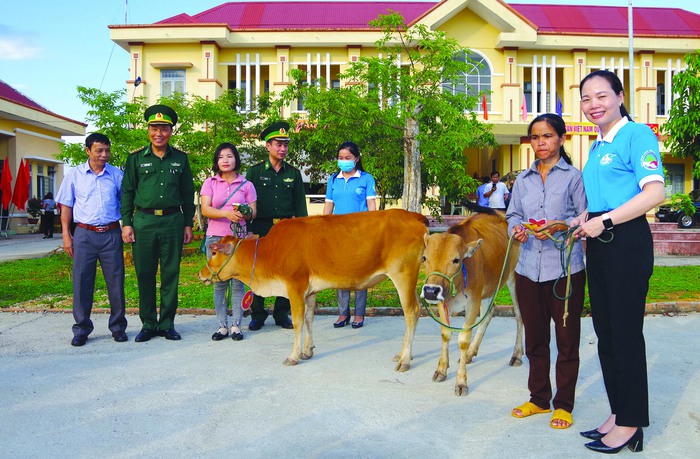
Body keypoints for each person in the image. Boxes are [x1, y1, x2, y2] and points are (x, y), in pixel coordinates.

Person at [573, 70, 665, 454]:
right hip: (601, 244)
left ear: (620, 96)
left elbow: (655, 193)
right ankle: (618, 411)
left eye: (602, 96)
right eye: (586, 98)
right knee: (607, 335)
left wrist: (605, 220)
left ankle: (631, 423)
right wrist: (587, 218)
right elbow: (604, 199)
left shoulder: (637, 135)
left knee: (625, 336)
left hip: (626, 243)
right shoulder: (597, 145)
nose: (594, 104)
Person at [506, 113, 587, 430]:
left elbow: (585, 217)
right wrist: (518, 230)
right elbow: (512, 215)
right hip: (527, 269)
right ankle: (539, 398)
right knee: (535, 339)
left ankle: (564, 405)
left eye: (548, 136)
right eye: (536, 137)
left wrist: (562, 225)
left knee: (567, 340)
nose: (541, 142)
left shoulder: (573, 178)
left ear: (561, 139)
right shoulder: (522, 181)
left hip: (565, 270)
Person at [121, 104, 195, 342]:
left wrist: (187, 224)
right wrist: (127, 223)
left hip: (173, 221)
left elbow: (187, 193)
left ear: (171, 131)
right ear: (148, 130)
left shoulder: (181, 159)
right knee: (145, 273)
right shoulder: (135, 159)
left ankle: (167, 323)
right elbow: (127, 193)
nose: (158, 133)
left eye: (163, 128)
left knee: (171, 273)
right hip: (143, 221)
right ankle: (148, 324)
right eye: (154, 128)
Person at [56, 133, 127, 346]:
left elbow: (125, 205)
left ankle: (118, 327)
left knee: (116, 282)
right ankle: (81, 329)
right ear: (88, 151)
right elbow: (66, 207)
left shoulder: (117, 174)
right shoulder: (74, 175)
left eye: (107, 150)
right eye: (99, 150)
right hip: (84, 235)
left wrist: (126, 229)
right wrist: (66, 236)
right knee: (81, 282)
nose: (104, 155)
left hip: (111, 234)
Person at [246, 121, 308, 330]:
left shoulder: (294, 174)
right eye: (278, 144)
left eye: (285, 145)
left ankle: (282, 313)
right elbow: (247, 203)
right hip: (261, 227)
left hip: (286, 229)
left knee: (286, 270)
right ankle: (257, 313)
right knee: (259, 269)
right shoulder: (254, 173)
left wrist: (302, 231)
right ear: (268, 146)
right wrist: (249, 230)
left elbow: (300, 206)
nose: (282, 149)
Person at [200, 142, 257, 341]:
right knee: (219, 283)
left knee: (238, 283)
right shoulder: (210, 182)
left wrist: (244, 212)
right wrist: (226, 213)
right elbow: (205, 209)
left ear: (236, 159)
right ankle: (221, 326)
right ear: (217, 161)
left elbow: (252, 213)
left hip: (238, 241)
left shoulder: (246, 185)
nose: (225, 160)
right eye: (221, 156)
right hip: (216, 238)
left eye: (230, 156)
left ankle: (236, 326)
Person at [323, 141, 377, 329]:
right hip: (338, 234)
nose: (343, 161)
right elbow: (328, 206)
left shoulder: (366, 179)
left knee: (360, 274)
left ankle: (359, 314)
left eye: (347, 158)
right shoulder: (333, 180)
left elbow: (371, 208)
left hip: (360, 234)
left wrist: (371, 232)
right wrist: (323, 228)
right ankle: (343, 313)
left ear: (357, 159)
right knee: (341, 274)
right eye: (340, 158)